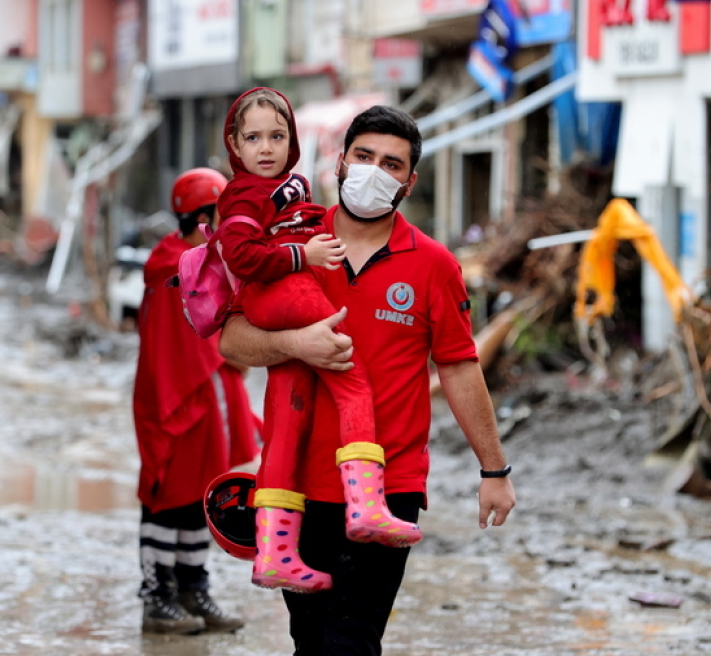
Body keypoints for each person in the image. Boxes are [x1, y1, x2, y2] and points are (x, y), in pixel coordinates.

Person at [219, 105, 517, 654]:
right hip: (296, 486)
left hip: (388, 487)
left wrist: (493, 468)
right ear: (339, 162)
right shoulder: (288, 246)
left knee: (352, 640)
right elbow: (230, 340)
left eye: (391, 164)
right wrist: (291, 344)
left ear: (410, 181)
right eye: (363, 156)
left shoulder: (433, 264)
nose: (374, 171)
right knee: (309, 640)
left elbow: (458, 365)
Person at [213, 88, 421, 593]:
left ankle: (275, 551)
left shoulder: (287, 187)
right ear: (234, 146)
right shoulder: (245, 194)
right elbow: (240, 257)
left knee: (285, 420)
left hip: (282, 293)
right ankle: (368, 506)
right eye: (254, 138)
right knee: (350, 375)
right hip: (283, 288)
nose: (266, 148)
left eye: (277, 136)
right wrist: (302, 258)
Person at [133, 167, 261, 635]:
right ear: (205, 215)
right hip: (179, 397)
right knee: (168, 493)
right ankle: (157, 597)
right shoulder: (175, 266)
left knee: (197, 496)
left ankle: (193, 589)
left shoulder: (199, 259)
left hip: (206, 396)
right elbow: (185, 348)